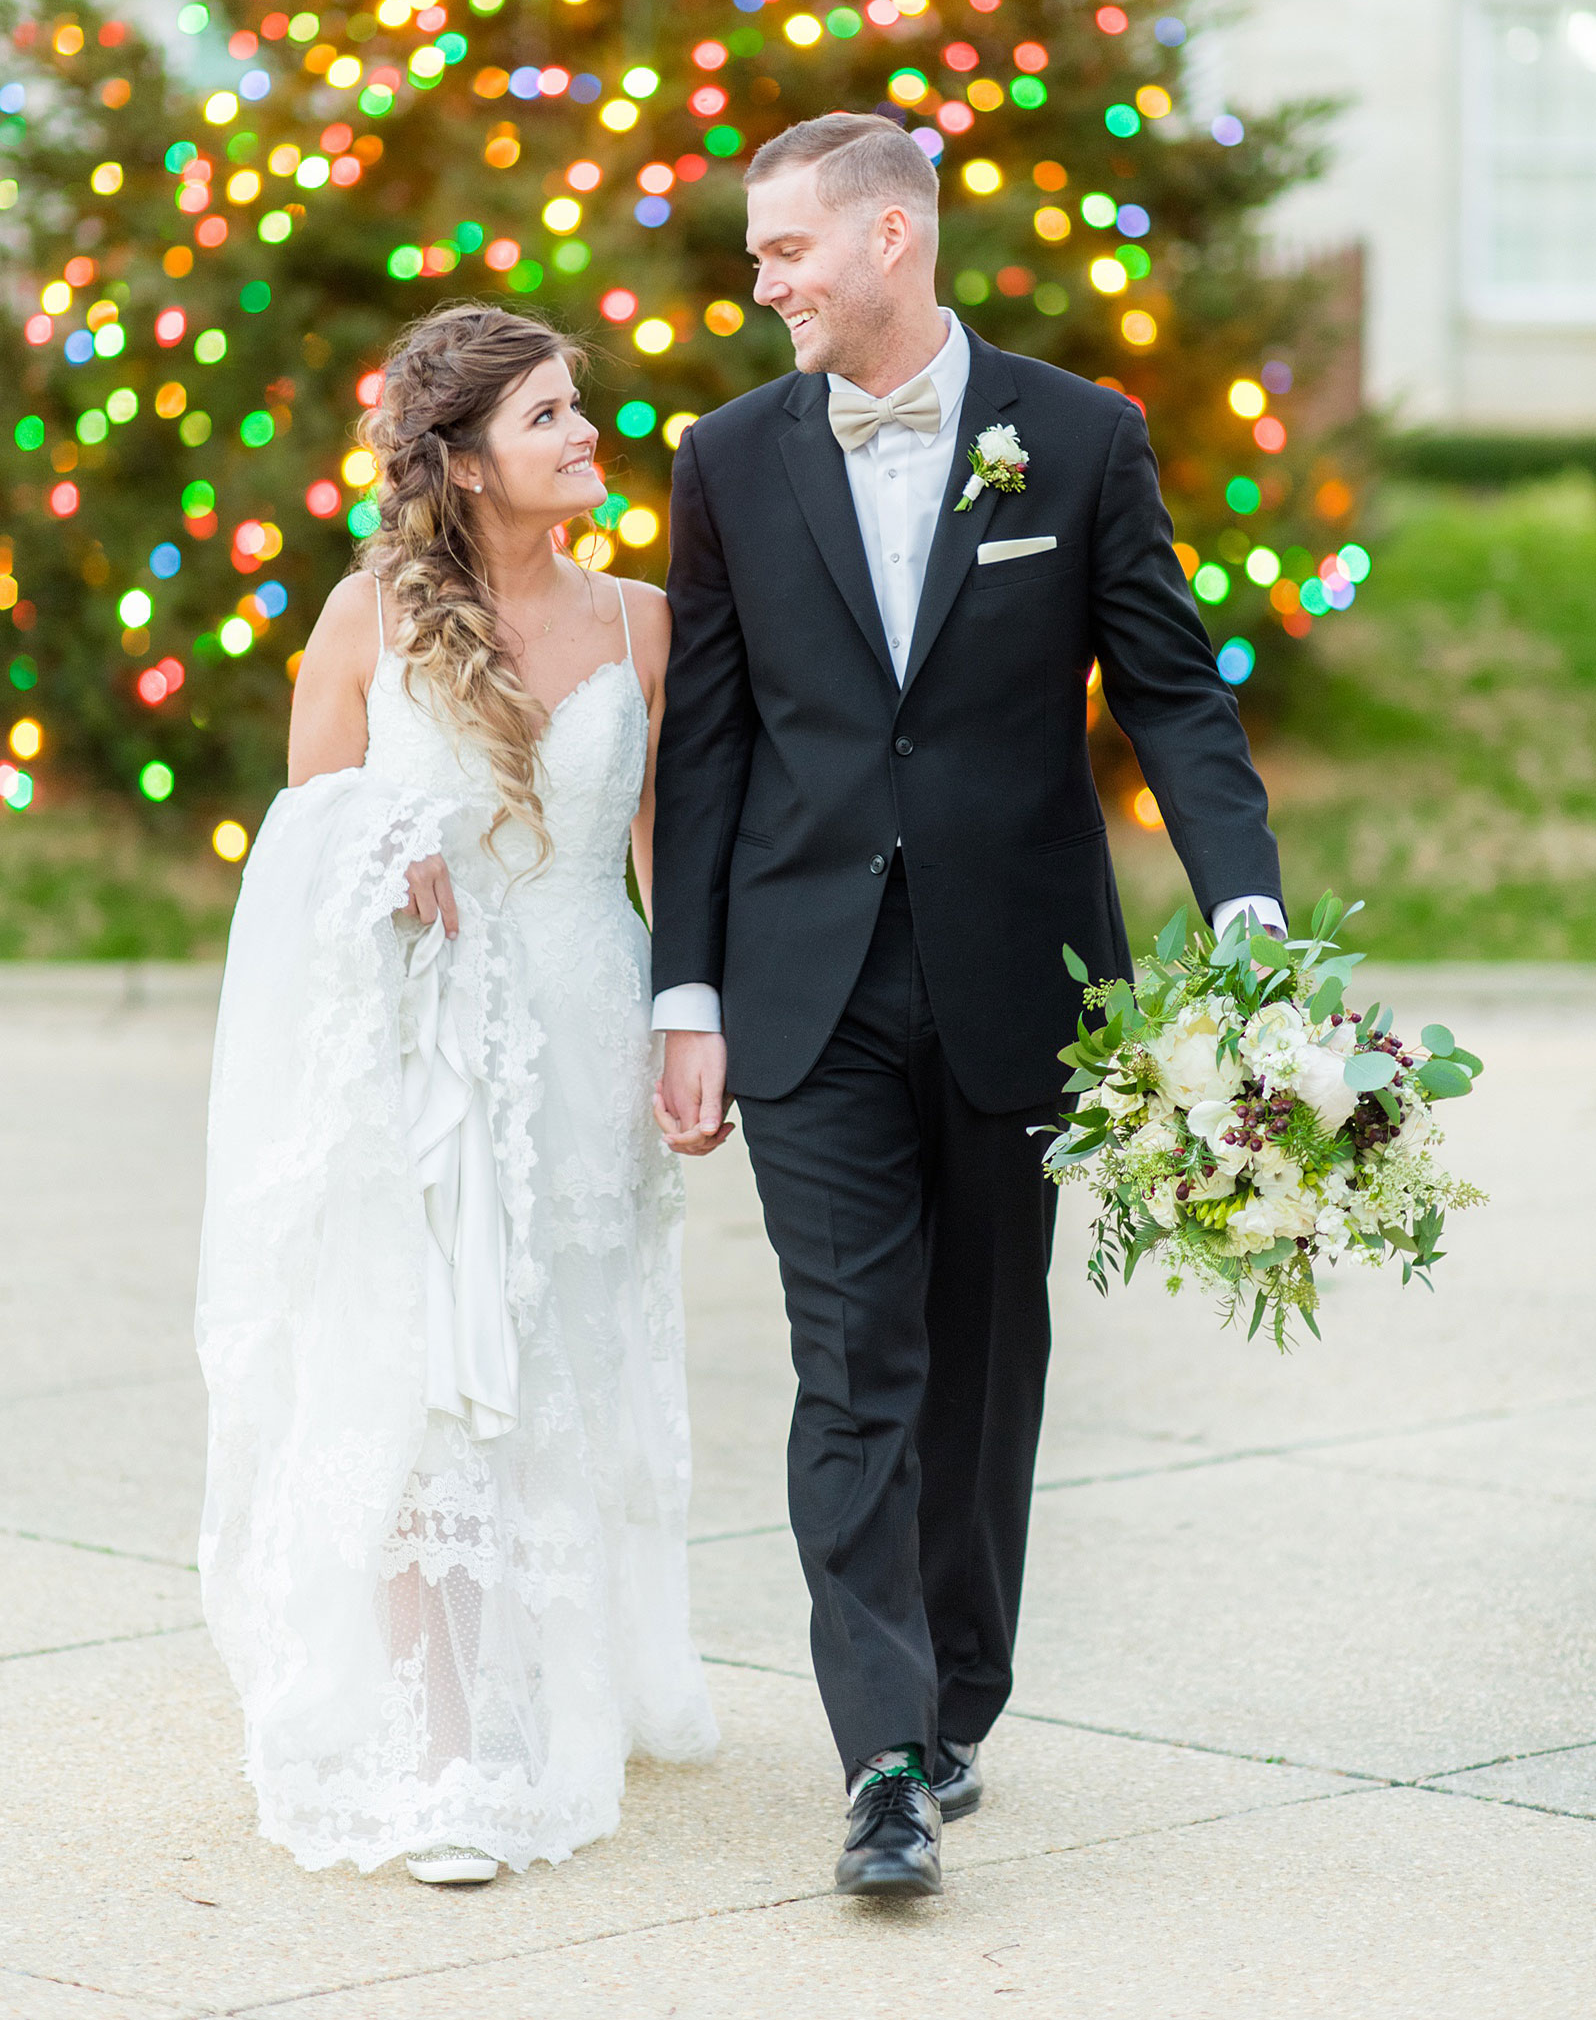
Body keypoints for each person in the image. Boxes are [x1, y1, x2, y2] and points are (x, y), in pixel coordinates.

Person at [650, 113, 1283, 1899]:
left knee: (987, 1355)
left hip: (1023, 980)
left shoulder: (1078, 437)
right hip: (804, 981)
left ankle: (961, 1696)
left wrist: (1245, 913)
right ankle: (883, 1758)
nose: (760, 279)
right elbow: (705, 742)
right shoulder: (728, 458)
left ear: (890, 239)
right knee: (853, 1361)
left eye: (787, 249)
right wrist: (682, 984)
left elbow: (1171, 689)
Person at [198, 305, 716, 1885]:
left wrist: (691, 1019)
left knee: (559, 1341)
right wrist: (378, 841)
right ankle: (448, 1745)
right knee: (433, 1364)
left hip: (584, 1021)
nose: (586, 434)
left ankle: (564, 1662)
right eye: (551, 415)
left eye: (579, 408)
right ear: (468, 457)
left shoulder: (643, 622)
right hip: (422, 1047)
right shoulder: (372, 618)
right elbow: (298, 844)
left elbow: (665, 852)